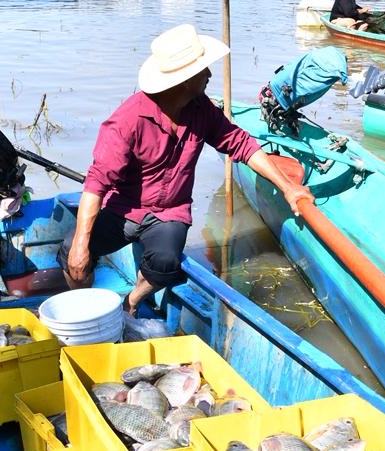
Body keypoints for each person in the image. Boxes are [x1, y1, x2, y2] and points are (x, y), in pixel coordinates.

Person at [60, 25, 311, 314]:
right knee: (72, 252)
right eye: (204, 70)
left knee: (166, 263)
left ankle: (131, 301)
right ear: (184, 81)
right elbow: (96, 184)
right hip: (124, 209)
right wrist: (81, 244)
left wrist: (288, 186)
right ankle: (86, 311)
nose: (210, 75)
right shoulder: (127, 121)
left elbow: (242, 144)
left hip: (169, 212)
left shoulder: (201, 110)